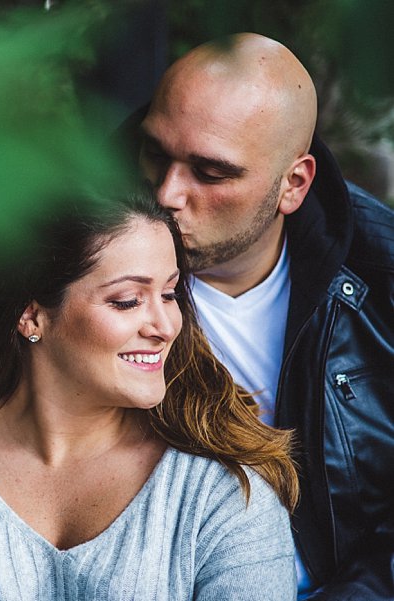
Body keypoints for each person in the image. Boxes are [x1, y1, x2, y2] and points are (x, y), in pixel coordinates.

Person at [0, 191, 299, 600]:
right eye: (128, 300)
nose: (164, 326)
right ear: (31, 316)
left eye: (170, 294)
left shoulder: (225, 495)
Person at [135, 33, 394, 599]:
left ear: (293, 185)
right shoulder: (67, 252)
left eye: (210, 173)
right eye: (155, 153)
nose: (167, 193)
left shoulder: (380, 275)